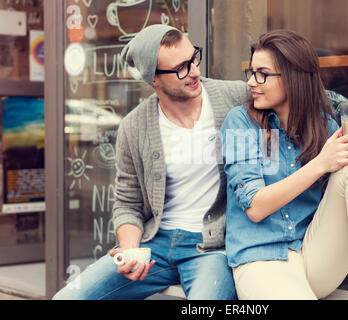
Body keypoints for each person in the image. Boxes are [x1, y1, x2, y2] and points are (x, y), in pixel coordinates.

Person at [53, 24, 250, 300]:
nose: (194, 71)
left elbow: (301, 100)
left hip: (211, 248)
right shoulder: (134, 127)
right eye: (181, 68)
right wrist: (131, 250)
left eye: (194, 58)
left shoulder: (234, 97)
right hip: (154, 244)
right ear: (154, 80)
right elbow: (127, 203)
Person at [220, 29, 348, 300]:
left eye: (262, 74)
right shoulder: (241, 123)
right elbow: (255, 208)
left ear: (293, 77)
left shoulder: (325, 127)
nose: (251, 82)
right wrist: (322, 163)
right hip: (262, 262)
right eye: (251, 72)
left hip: (315, 256)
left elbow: (345, 194)